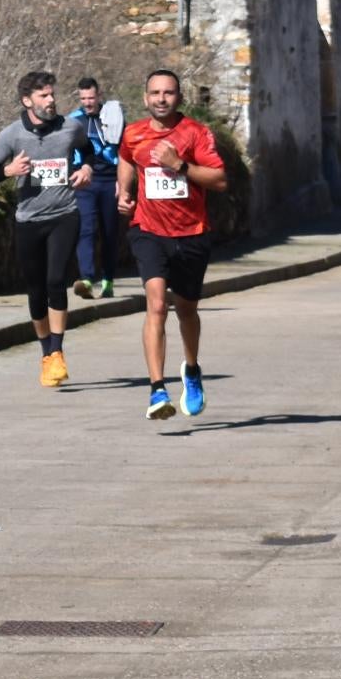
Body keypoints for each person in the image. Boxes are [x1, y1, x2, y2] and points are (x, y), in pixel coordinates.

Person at [117, 69, 227, 420]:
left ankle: (192, 370)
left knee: (187, 310)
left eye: (168, 93)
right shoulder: (134, 133)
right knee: (156, 306)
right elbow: (125, 158)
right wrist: (124, 190)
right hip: (148, 230)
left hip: (191, 233)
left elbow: (220, 180)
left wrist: (178, 164)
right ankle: (156, 390)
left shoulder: (195, 133)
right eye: (154, 93)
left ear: (179, 97)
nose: (160, 99)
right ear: (145, 96)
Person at [0, 71, 96, 387]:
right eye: (44, 96)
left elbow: (87, 150)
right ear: (27, 101)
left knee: (54, 280)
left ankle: (58, 351)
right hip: (28, 220)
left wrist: (86, 167)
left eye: (52, 95)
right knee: (35, 289)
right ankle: (46, 353)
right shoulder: (12, 135)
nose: (51, 101)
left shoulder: (70, 127)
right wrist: (9, 170)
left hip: (65, 214)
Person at [68, 75, 128, 298]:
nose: (87, 102)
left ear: (99, 95)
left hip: (111, 180)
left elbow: (126, 150)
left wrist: (122, 182)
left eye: (91, 97)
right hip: (86, 181)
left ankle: (108, 280)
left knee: (109, 232)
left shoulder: (114, 116)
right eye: (83, 98)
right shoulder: (73, 120)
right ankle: (86, 278)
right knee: (86, 229)